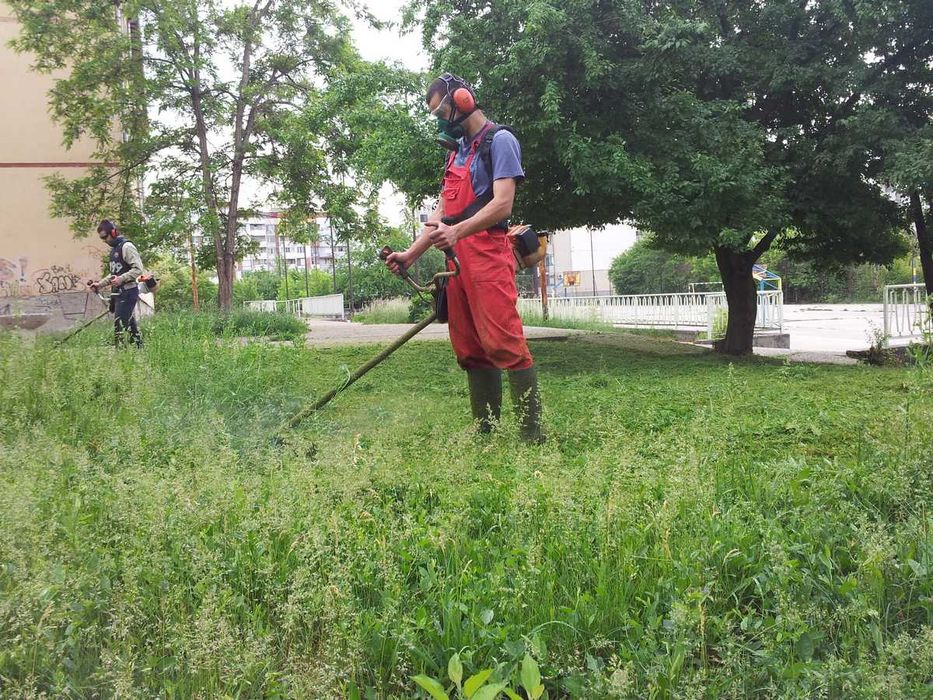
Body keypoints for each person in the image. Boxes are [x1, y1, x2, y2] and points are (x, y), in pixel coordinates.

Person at [384, 73, 544, 443]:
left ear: (462, 100)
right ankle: (485, 432)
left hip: (488, 253)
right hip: (457, 262)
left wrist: (457, 231)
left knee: (505, 342)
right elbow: (441, 215)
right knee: (471, 348)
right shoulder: (456, 152)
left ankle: (531, 435)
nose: (440, 118)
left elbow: (503, 203)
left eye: (441, 109)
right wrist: (409, 254)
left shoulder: (499, 141)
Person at [87, 219, 145, 347]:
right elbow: (114, 273)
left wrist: (121, 279)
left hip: (129, 291)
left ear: (113, 233)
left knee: (120, 329)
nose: (104, 241)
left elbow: (138, 269)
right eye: (102, 238)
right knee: (130, 327)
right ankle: (139, 350)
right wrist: (100, 284)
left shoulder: (127, 247)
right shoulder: (114, 250)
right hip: (119, 293)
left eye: (105, 237)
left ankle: (121, 358)